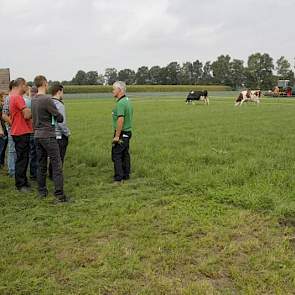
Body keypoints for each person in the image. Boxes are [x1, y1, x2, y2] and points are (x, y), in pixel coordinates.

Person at [31, 75, 69, 202]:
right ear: (45, 84)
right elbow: (59, 117)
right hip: (48, 135)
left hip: (37, 135)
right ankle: (59, 195)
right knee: (57, 165)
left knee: (41, 165)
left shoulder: (34, 99)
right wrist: (57, 116)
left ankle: (42, 192)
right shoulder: (47, 99)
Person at [9, 78, 33, 192]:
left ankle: (23, 181)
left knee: (23, 158)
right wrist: (30, 111)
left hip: (18, 131)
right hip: (21, 131)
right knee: (22, 159)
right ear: (21, 85)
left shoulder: (13, 97)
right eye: (25, 85)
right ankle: (20, 184)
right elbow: (27, 115)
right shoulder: (18, 98)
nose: (27, 87)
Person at [111, 81, 133, 183]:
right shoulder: (128, 101)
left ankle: (118, 178)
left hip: (122, 132)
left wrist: (116, 136)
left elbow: (121, 120)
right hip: (128, 132)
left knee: (116, 154)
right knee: (125, 153)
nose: (112, 91)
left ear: (119, 90)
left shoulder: (120, 103)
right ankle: (126, 175)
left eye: (113, 89)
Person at [48, 84, 70, 179]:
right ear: (59, 91)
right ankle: (57, 176)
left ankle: (51, 174)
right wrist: (67, 133)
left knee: (52, 157)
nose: (63, 94)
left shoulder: (48, 102)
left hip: (50, 134)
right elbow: (61, 122)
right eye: (63, 92)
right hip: (59, 135)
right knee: (59, 157)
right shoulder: (60, 105)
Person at [2, 81, 17, 177]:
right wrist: (13, 124)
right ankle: (12, 171)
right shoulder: (9, 98)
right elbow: (4, 114)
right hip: (12, 128)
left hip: (15, 128)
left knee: (15, 149)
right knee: (12, 149)